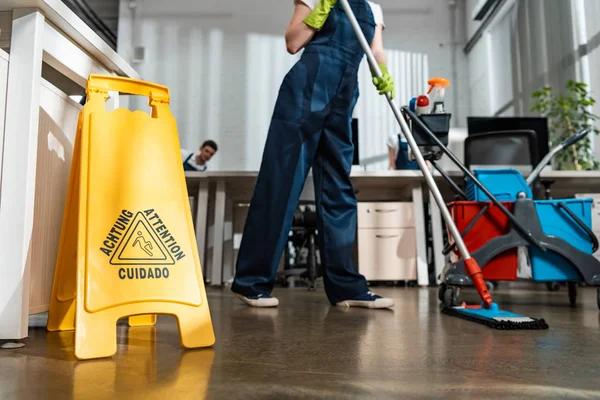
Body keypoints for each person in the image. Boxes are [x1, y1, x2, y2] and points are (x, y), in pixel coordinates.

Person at [231, 0, 396, 309]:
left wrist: (383, 71)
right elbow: (293, 42)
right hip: (305, 89)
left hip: (343, 96)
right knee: (281, 182)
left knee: (338, 189)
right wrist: (321, 10)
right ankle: (251, 282)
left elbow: (375, 50)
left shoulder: (374, 8)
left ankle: (346, 286)